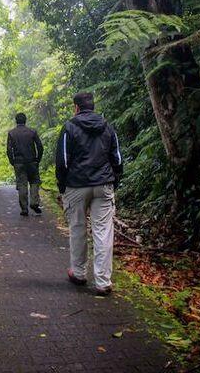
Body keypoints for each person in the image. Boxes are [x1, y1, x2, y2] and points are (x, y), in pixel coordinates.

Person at [55, 92, 123, 296]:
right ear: (92, 106)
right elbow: (117, 159)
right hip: (103, 184)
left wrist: (63, 186)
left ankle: (78, 273)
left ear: (76, 107)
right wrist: (114, 181)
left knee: (77, 228)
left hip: (76, 185)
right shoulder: (107, 126)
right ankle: (103, 281)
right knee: (103, 231)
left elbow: (63, 161)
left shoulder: (69, 127)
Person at [7, 112, 44, 216]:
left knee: (22, 184)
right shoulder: (32, 132)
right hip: (32, 161)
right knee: (34, 182)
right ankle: (34, 202)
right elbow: (40, 146)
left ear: (16, 121)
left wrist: (12, 161)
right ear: (25, 120)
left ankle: (24, 209)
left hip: (18, 163)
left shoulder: (12, 133)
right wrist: (38, 159)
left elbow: (9, 150)